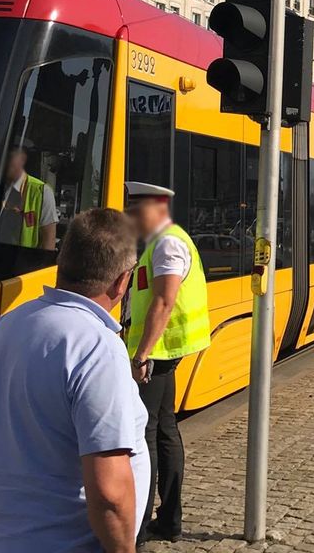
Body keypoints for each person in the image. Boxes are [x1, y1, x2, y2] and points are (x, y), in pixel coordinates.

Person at [0, 208, 150, 553]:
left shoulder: (9, 325)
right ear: (122, 280)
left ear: (62, 261)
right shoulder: (97, 346)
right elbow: (110, 493)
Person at [125, 182, 213, 544]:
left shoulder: (168, 244)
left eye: (135, 211)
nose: (131, 219)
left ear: (154, 208)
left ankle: (143, 524)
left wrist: (141, 354)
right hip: (163, 351)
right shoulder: (163, 242)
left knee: (146, 435)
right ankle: (169, 520)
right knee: (164, 429)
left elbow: (163, 301)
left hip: (158, 353)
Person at [0, 146, 58, 250]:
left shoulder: (42, 191)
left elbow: (49, 243)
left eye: (12, 156)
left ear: (22, 159)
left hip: (24, 262)